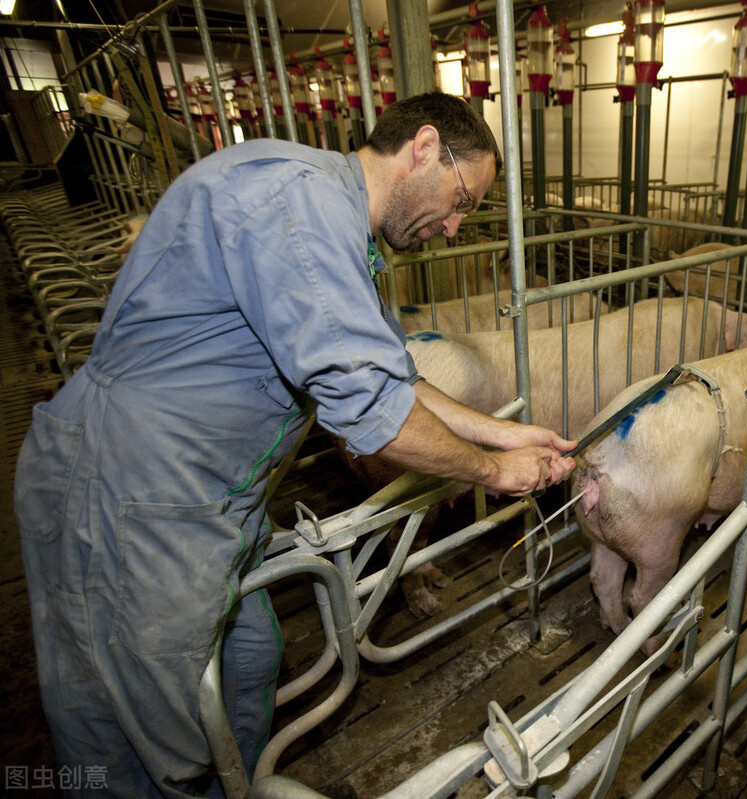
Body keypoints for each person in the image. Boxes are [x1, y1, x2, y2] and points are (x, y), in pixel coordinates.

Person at [14, 91, 575, 797]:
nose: (457, 227)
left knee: (247, 662)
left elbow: (392, 375)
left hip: (217, 498)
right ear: (424, 147)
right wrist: (496, 471)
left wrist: (505, 429)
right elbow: (381, 418)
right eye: (462, 199)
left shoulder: (335, 222)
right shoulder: (299, 209)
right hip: (129, 493)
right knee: (147, 744)